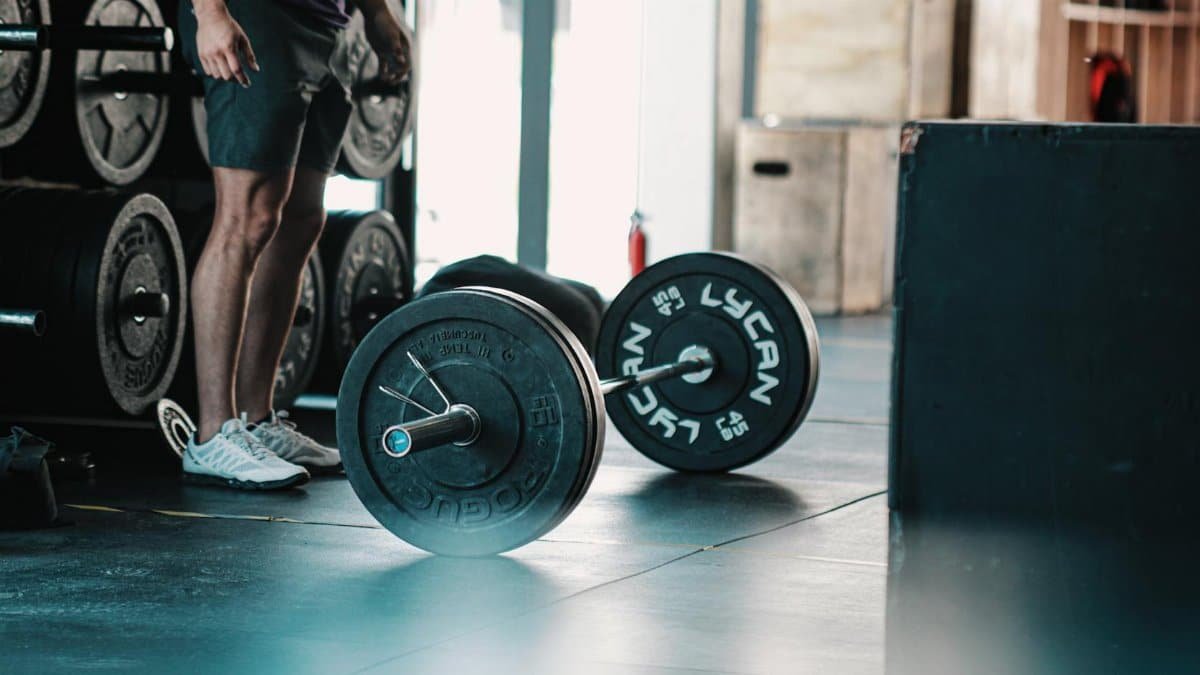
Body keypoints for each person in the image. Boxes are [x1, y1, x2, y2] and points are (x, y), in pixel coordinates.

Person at [177, 0, 412, 489]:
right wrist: (210, 12)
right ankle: (213, 433)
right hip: (256, 16)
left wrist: (377, 13)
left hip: (330, 25)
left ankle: (257, 419)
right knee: (247, 218)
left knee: (302, 218)